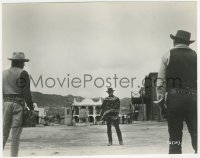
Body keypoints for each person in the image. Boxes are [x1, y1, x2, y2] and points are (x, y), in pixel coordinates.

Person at [156, 30, 197, 154]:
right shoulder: (196, 55)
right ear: (187, 43)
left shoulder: (167, 55)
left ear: (175, 41)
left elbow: (160, 83)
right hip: (193, 98)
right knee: (196, 133)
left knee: (174, 137)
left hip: (174, 99)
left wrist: (161, 103)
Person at [3, 52, 35, 156]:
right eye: (23, 62)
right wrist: (31, 108)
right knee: (15, 136)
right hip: (17, 105)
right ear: (20, 63)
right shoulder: (23, 73)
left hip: (5, 104)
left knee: (3, 133)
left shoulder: (2, 73)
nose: (24, 65)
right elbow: (26, 93)